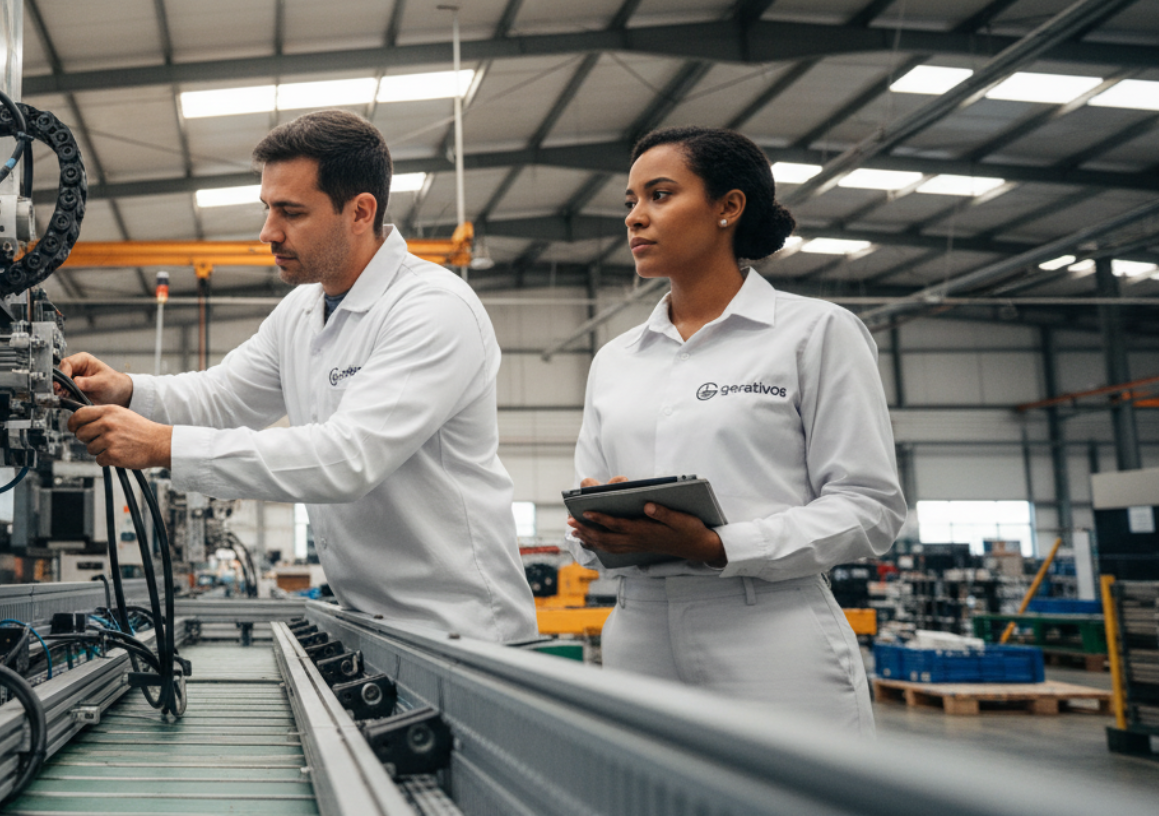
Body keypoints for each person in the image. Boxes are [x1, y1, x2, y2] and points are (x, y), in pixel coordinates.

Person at [59, 110, 537, 642]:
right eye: (267, 208)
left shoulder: (432, 308)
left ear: (360, 211)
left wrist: (164, 445)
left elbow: (348, 458)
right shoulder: (302, 311)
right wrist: (127, 389)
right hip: (373, 625)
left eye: (290, 212)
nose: (268, 232)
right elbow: (222, 397)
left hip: (462, 630)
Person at [566, 126, 906, 736]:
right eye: (630, 202)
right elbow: (587, 487)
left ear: (729, 207)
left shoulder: (813, 333)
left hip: (769, 635)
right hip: (636, 633)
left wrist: (720, 546)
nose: (636, 218)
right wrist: (597, 530)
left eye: (660, 195)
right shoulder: (616, 359)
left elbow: (870, 508)